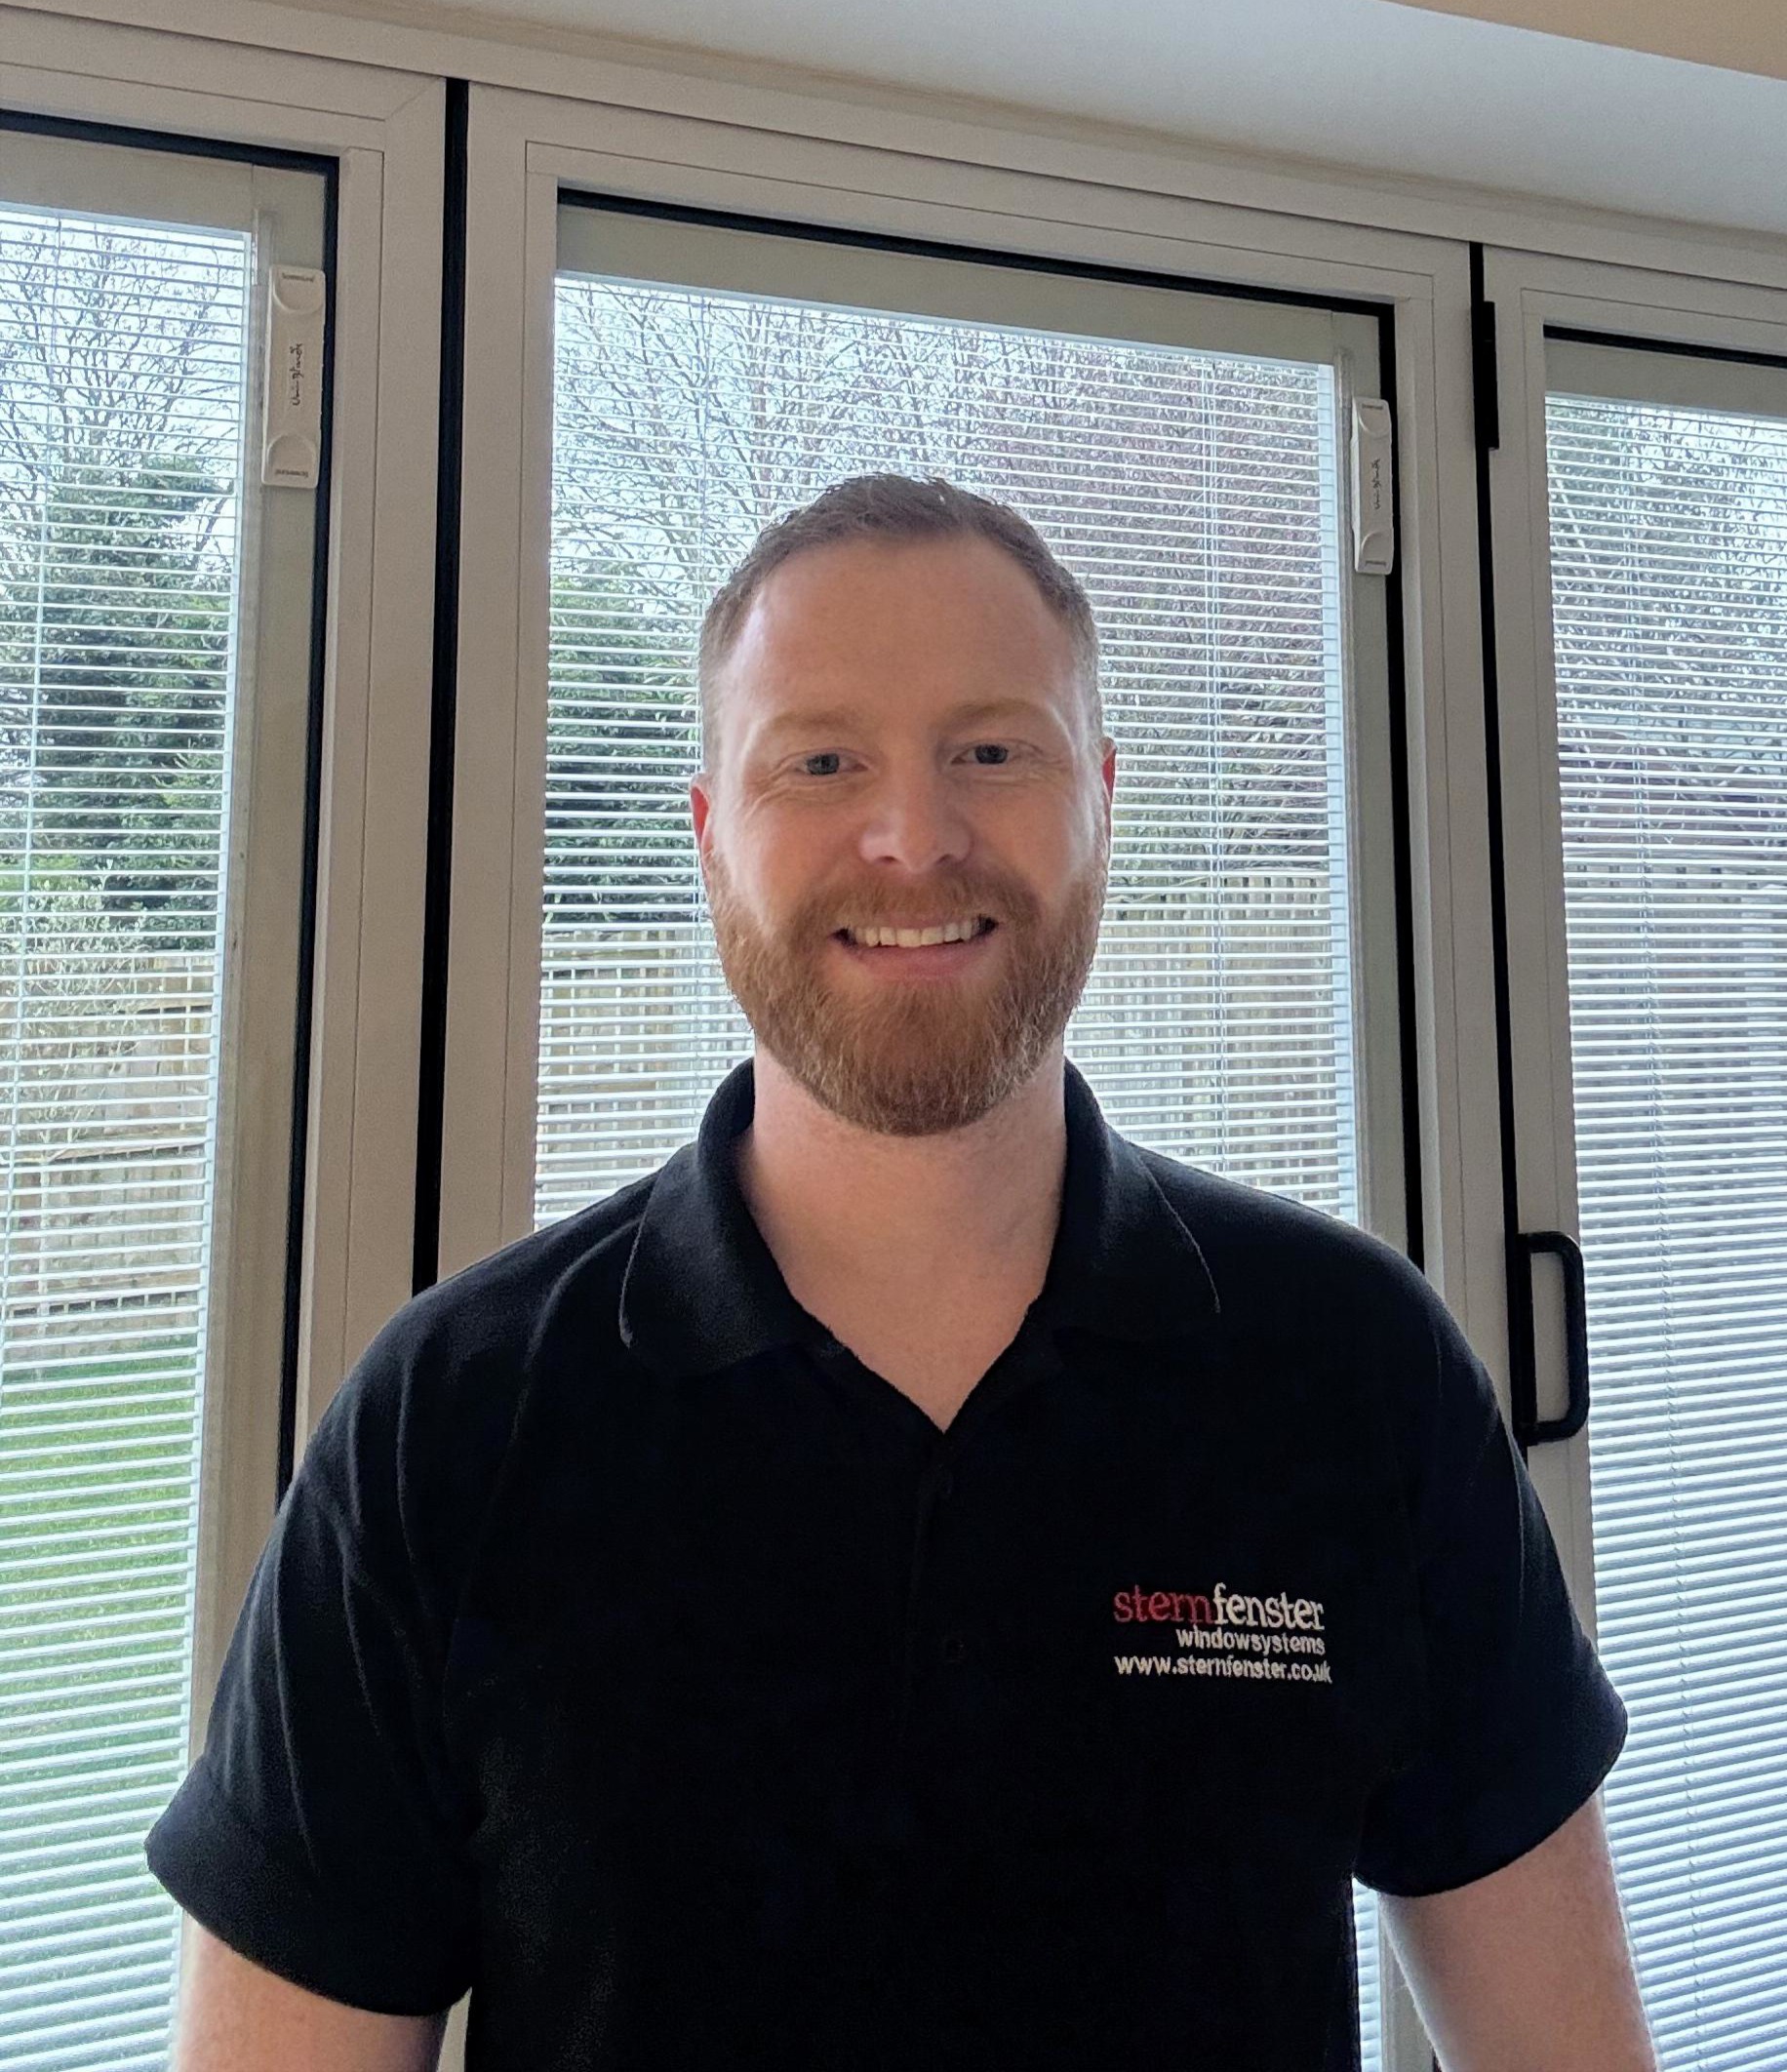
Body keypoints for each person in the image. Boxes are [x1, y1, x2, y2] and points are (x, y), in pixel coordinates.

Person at [146, 473, 1656, 2070]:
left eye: (993, 752)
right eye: (821, 761)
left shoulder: (1354, 1368)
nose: (915, 838)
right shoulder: (447, 1426)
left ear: (1102, 800)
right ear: (711, 835)